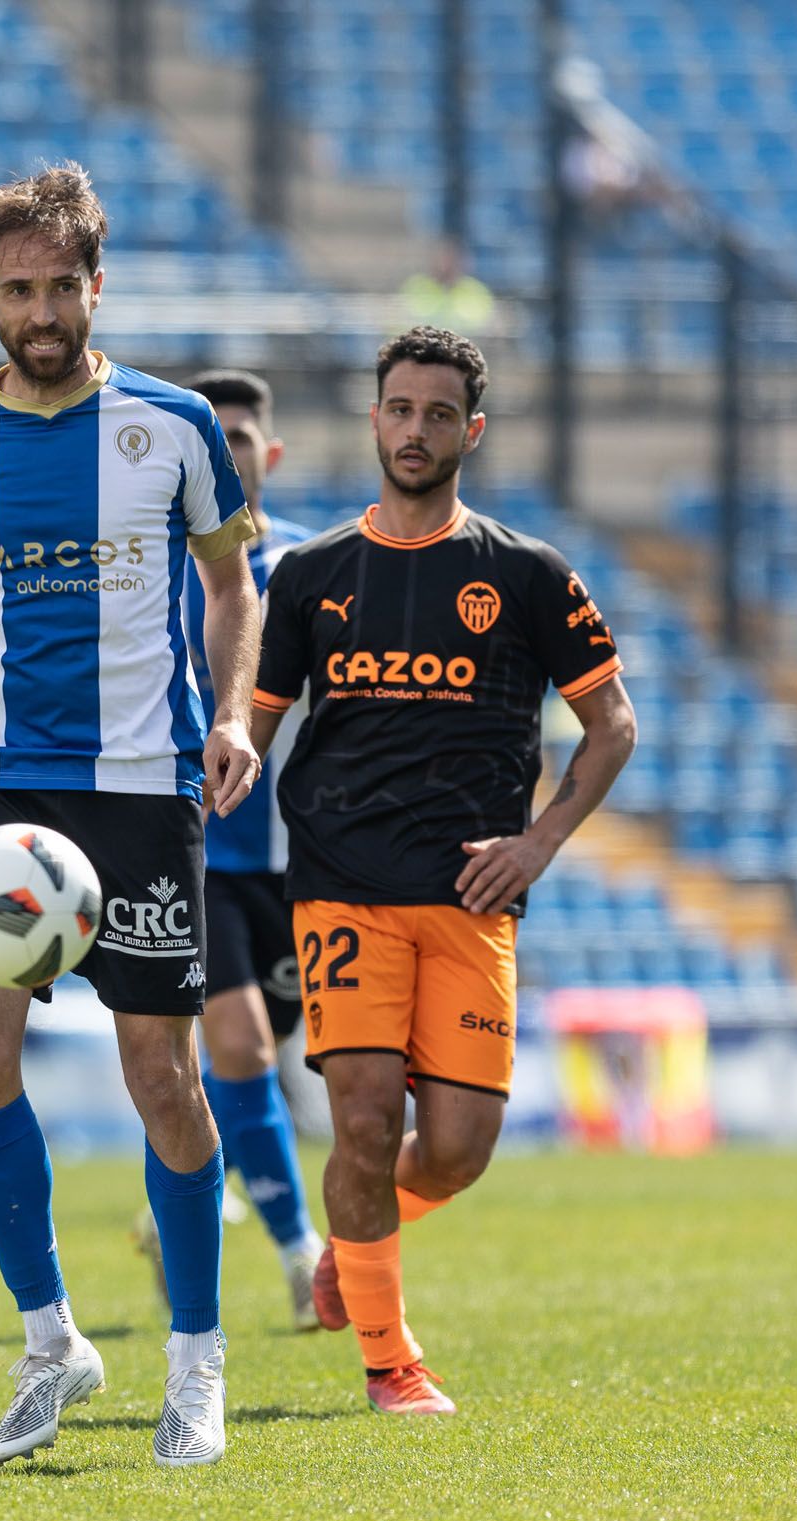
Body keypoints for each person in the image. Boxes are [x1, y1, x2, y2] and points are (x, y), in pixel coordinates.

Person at [0, 164, 263, 1468]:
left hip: (142, 782)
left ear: (99, 285)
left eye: (60, 286)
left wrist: (235, 711)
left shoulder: (177, 425)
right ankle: (52, 1342)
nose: (40, 309)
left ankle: (195, 1365)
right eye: (16, 288)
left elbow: (231, 584)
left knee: (162, 1075)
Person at [249, 326, 636, 1415]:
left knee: (456, 1151)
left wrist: (539, 842)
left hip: (473, 897)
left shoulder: (526, 575)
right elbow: (255, 725)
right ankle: (390, 1363)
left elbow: (611, 725)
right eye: (398, 409)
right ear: (374, 418)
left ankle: (355, 1238)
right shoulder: (313, 576)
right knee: (363, 1121)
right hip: (341, 884)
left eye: (436, 414)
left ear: (471, 430)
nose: (413, 430)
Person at [134, 369, 325, 1329]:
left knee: (240, 1065)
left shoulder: (311, 566)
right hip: (199, 854)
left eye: (244, 438)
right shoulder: (146, 567)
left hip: (307, 865)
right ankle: (303, 1260)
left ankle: (165, 1210)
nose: (232, 453)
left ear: (269, 454)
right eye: (217, 438)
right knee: (243, 1047)